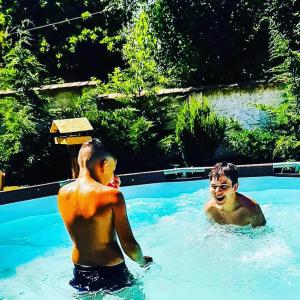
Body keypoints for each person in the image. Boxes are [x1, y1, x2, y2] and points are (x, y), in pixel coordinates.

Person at [57, 138, 152, 293]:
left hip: (82, 272)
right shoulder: (113, 196)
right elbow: (129, 246)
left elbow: (90, 224)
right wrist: (143, 262)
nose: (112, 175)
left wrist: (106, 188)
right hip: (113, 272)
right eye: (113, 169)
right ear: (105, 164)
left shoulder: (63, 193)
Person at [204, 162, 266, 228]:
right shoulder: (210, 209)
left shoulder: (251, 209)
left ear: (235, 187)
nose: (217, 191)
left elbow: (263, 234)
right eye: (214, 186)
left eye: (224, 186)